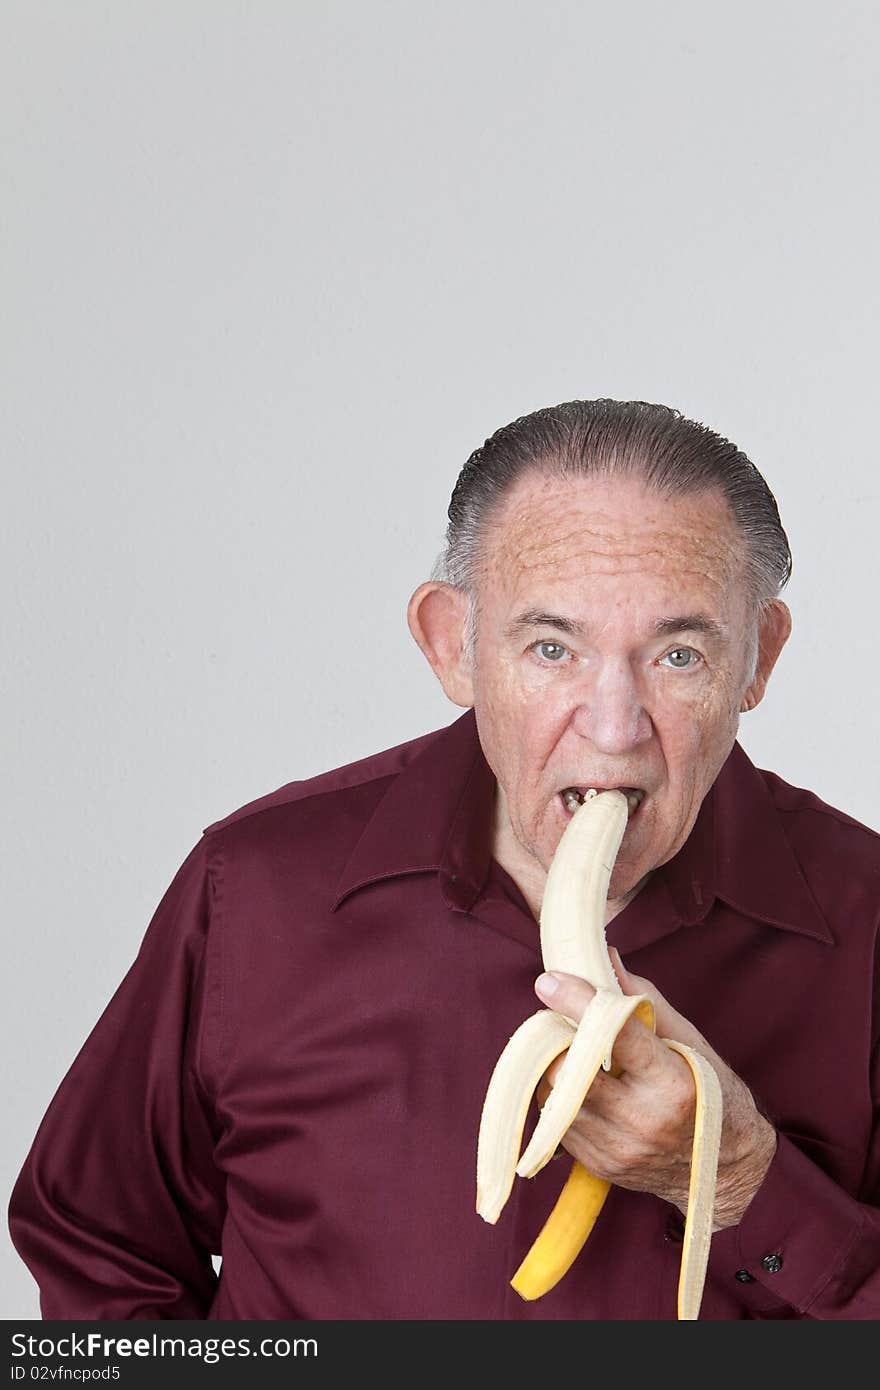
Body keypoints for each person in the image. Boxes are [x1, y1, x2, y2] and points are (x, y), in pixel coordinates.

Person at [9, 398, 880, 1320]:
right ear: (450, 646)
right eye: (553, 648)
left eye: (678, 655)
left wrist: (744, 1180)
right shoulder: (255, 892)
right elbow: (98, 1249)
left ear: (759, 660)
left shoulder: (864, 923)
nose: (615, 728)